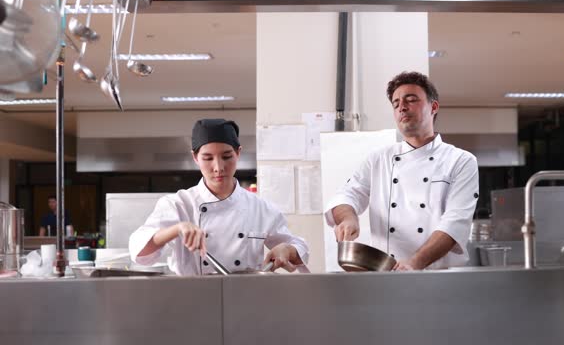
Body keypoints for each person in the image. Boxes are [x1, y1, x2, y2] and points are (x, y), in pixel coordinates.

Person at [325, 71, 479, 270]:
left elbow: (455, 223)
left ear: (433, 107)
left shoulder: (460, 161)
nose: (402, 107)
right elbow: (347, 195)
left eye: (411, 99)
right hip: (388, 274)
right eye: (396, 103)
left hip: (439, 277)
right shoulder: (379, 158)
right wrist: (348, 218)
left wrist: (414, 263)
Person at [129, 119, 308, 275]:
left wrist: (287, 249)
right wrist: (176, 229)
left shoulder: (260, 208)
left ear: (238, 153)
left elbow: (298, 245)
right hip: (192, 300)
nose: (218, 167)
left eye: (226, 156)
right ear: (195, 157)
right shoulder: (178, 204)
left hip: (246, 299)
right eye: (207, 158)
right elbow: (139, 250)